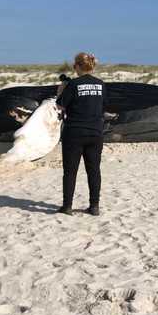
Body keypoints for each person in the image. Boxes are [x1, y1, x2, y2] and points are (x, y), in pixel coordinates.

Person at [56, 52, 108, 216]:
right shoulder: (100, 84)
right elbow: (103, 106)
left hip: (75, 132)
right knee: (94, 171)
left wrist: (61, 90)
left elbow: (60, 105)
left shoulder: (73, 85)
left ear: (78, 66)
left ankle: (67, 206)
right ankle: (94, 206)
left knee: (70, 171)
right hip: (95, 132)